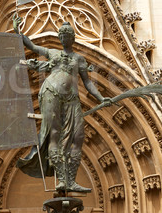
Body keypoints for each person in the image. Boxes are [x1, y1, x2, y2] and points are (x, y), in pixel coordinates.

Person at [13, 15, 111, 192]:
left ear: (72, 38)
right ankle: (61, 180)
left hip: (72, 99)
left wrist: (101, 98)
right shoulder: (53, 52)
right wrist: (18, 32)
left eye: (67, 36)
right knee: (54, 134)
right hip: (51, 92)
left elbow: (88, 82)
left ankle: (70, 180)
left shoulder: (79, 59)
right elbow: (33, 47)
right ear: (60, 38)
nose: (64, 38)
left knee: (78, 136)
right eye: (62, 36)